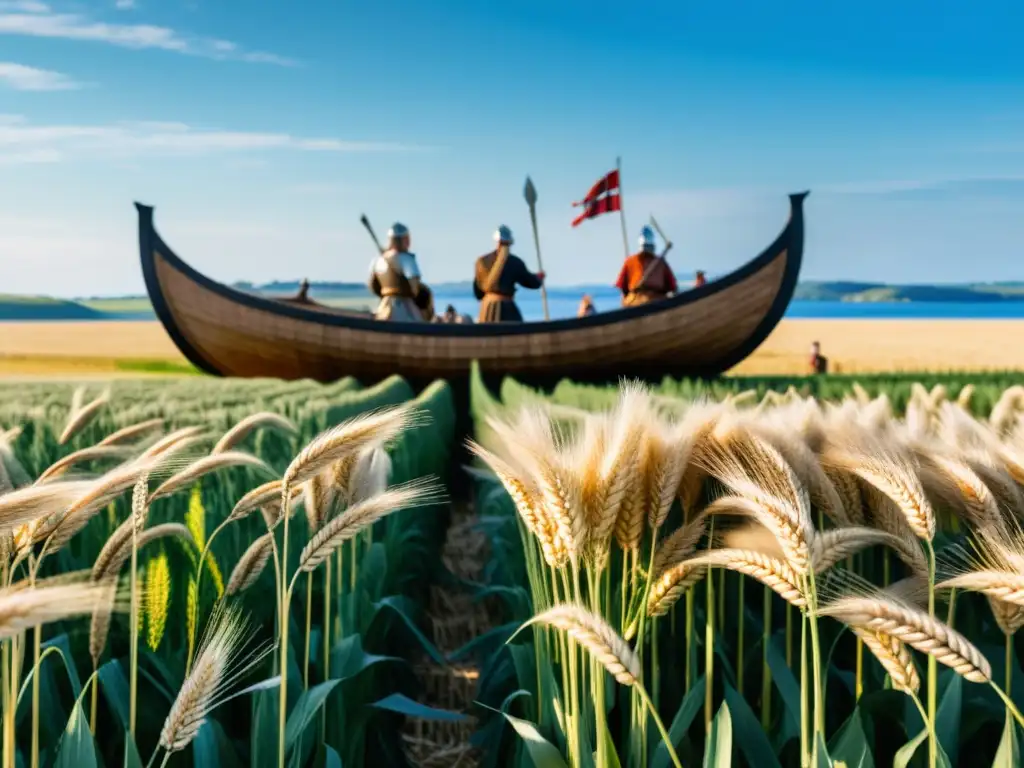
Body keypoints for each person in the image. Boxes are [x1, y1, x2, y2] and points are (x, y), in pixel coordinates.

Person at [473, 225, 545, 323]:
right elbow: (530, 282)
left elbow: (478, 292)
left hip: (486, 309)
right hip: (506, 310)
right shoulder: (514, 262)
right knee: (516, 332)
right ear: (510, 243)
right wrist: (539, 278)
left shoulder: (481, 261)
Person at [368, 222, 426, 322]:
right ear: (404, 240)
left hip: (384, 307)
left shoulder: (377, 261)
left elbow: (373, 286)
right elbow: (415, 288)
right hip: (404, 308)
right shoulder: (407, 260)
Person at [615, 226, 677, 306]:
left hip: (652, 301)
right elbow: (672, 288)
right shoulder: (630, 262)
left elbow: (672, 287)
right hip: (638, 301)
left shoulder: (660, 263)